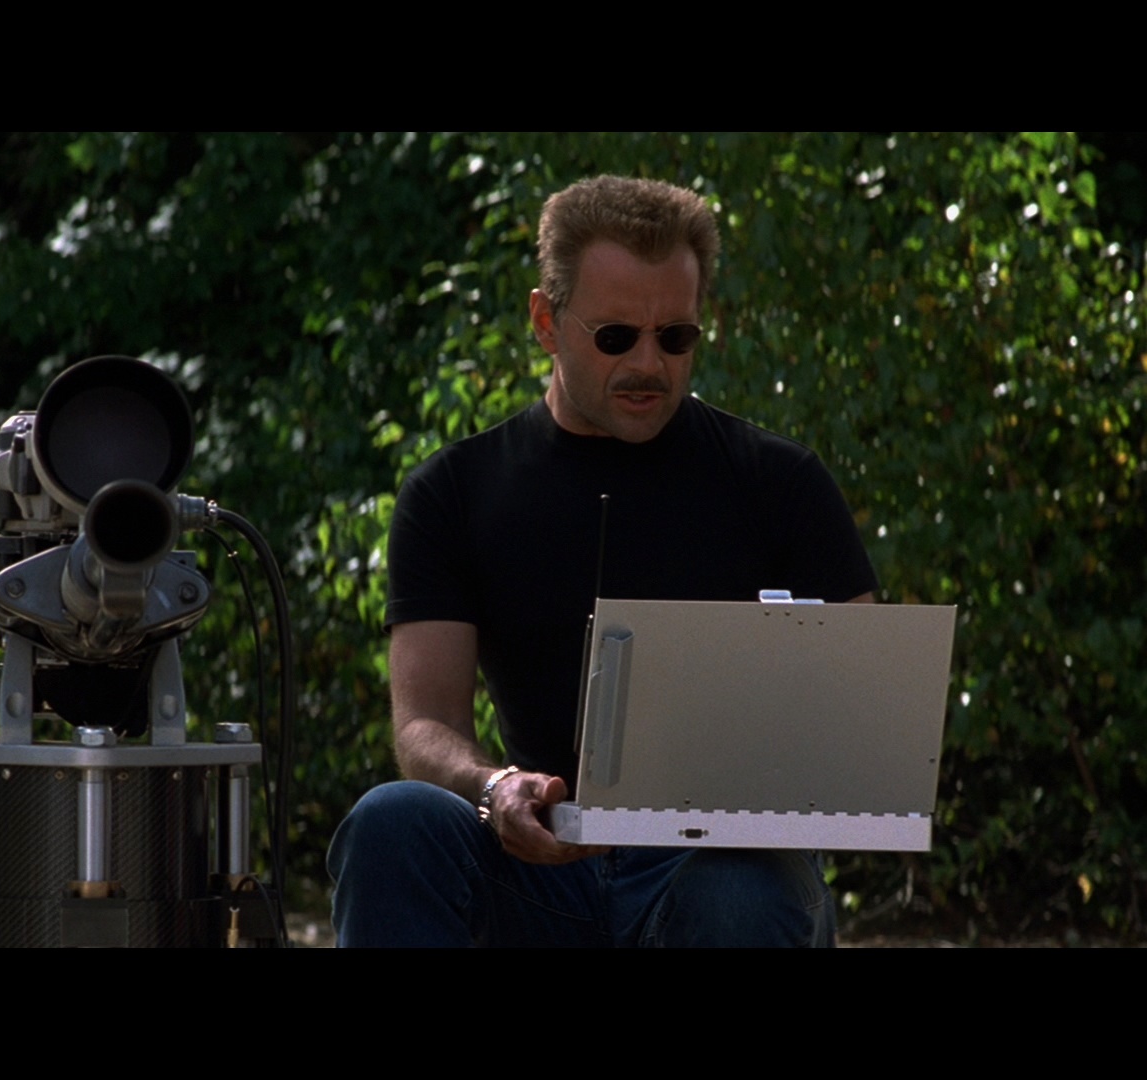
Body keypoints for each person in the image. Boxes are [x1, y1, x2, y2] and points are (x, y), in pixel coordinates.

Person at [327, 175, 877, 947]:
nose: (650, 363)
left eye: (675, 337)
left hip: (718, 867)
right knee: (393, 819)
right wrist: (495, 787)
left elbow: (862, 716)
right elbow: (425, 723)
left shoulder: (779, 483)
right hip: (540, 864)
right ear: (546, 323)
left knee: (740, 895)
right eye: (616, 336)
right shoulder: (453, 492)